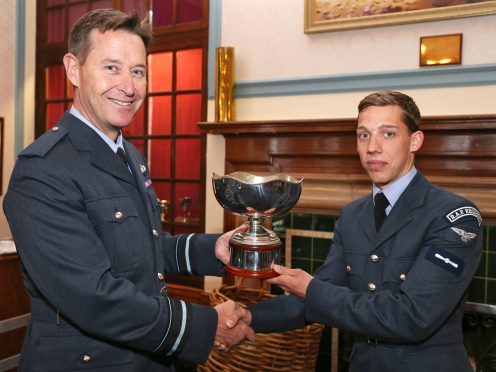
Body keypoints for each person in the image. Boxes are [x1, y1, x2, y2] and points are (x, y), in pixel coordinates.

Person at [3, 9, 253, 372]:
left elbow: (141, 249)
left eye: (138, 71)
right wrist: (205, 326)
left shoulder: (128, 155)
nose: (129, 86)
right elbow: (93, 298)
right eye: (111, 68)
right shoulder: (42, 171)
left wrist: (211, 249)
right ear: (73, 69)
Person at [230, 90, 483, 371]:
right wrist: (246, 316)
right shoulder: (352, 215)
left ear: (415, 141)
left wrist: (311, 289)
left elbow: (411, 317)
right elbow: (319, 295)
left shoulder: (454, 216)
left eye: (388, 134)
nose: (372, 147)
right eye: (363, 135)